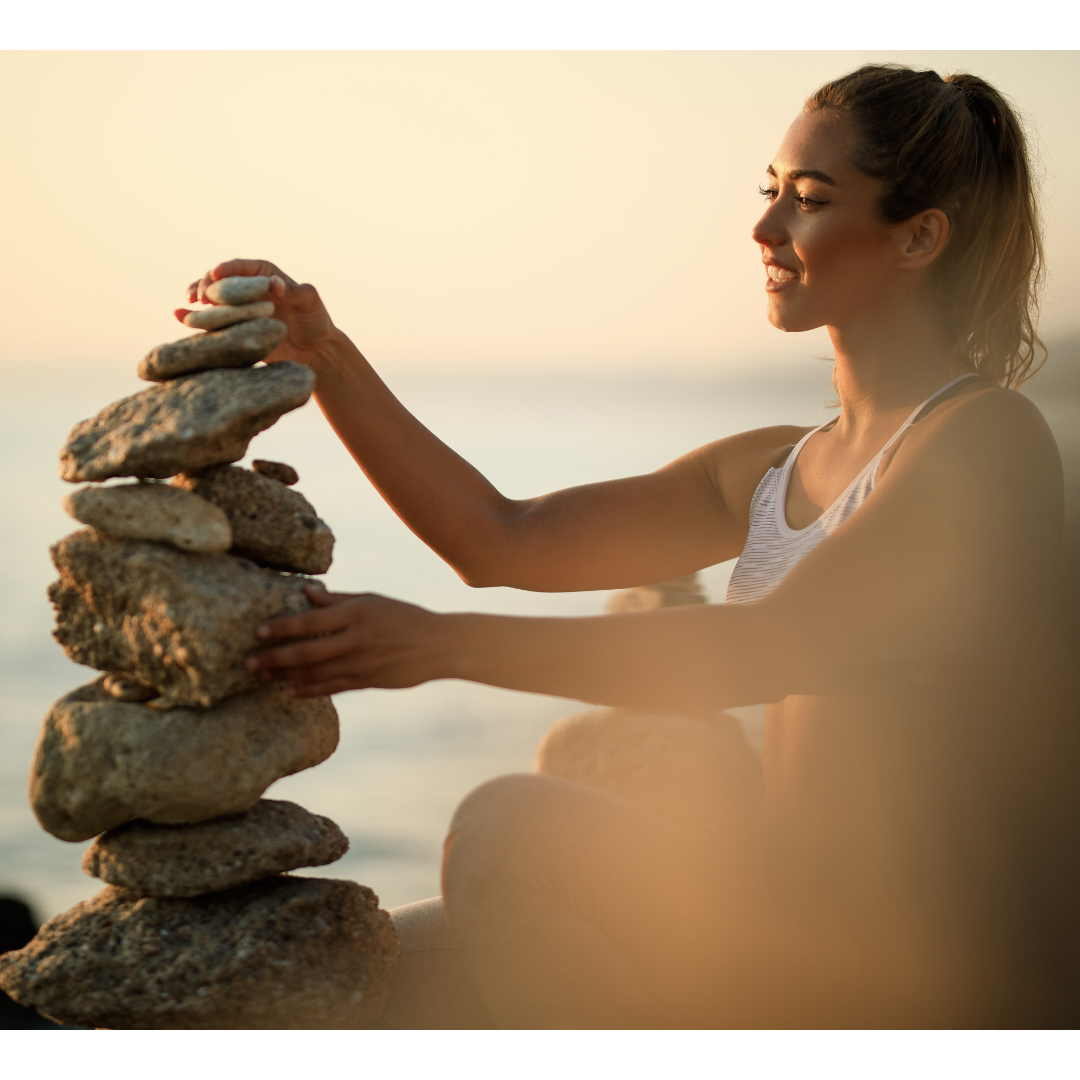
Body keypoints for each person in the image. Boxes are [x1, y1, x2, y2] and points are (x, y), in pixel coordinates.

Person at [186, 65, 1078, 1027]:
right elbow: (500, 538)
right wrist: (326, 356)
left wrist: (438, 646)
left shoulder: (985, 443)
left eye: (810, 201)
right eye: (770, 190)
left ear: (919, 236)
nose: (766, 228)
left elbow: (767, 648)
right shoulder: (776, 466)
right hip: (779, 924)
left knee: (506, 826)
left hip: (925, 971)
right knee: (382, 963)